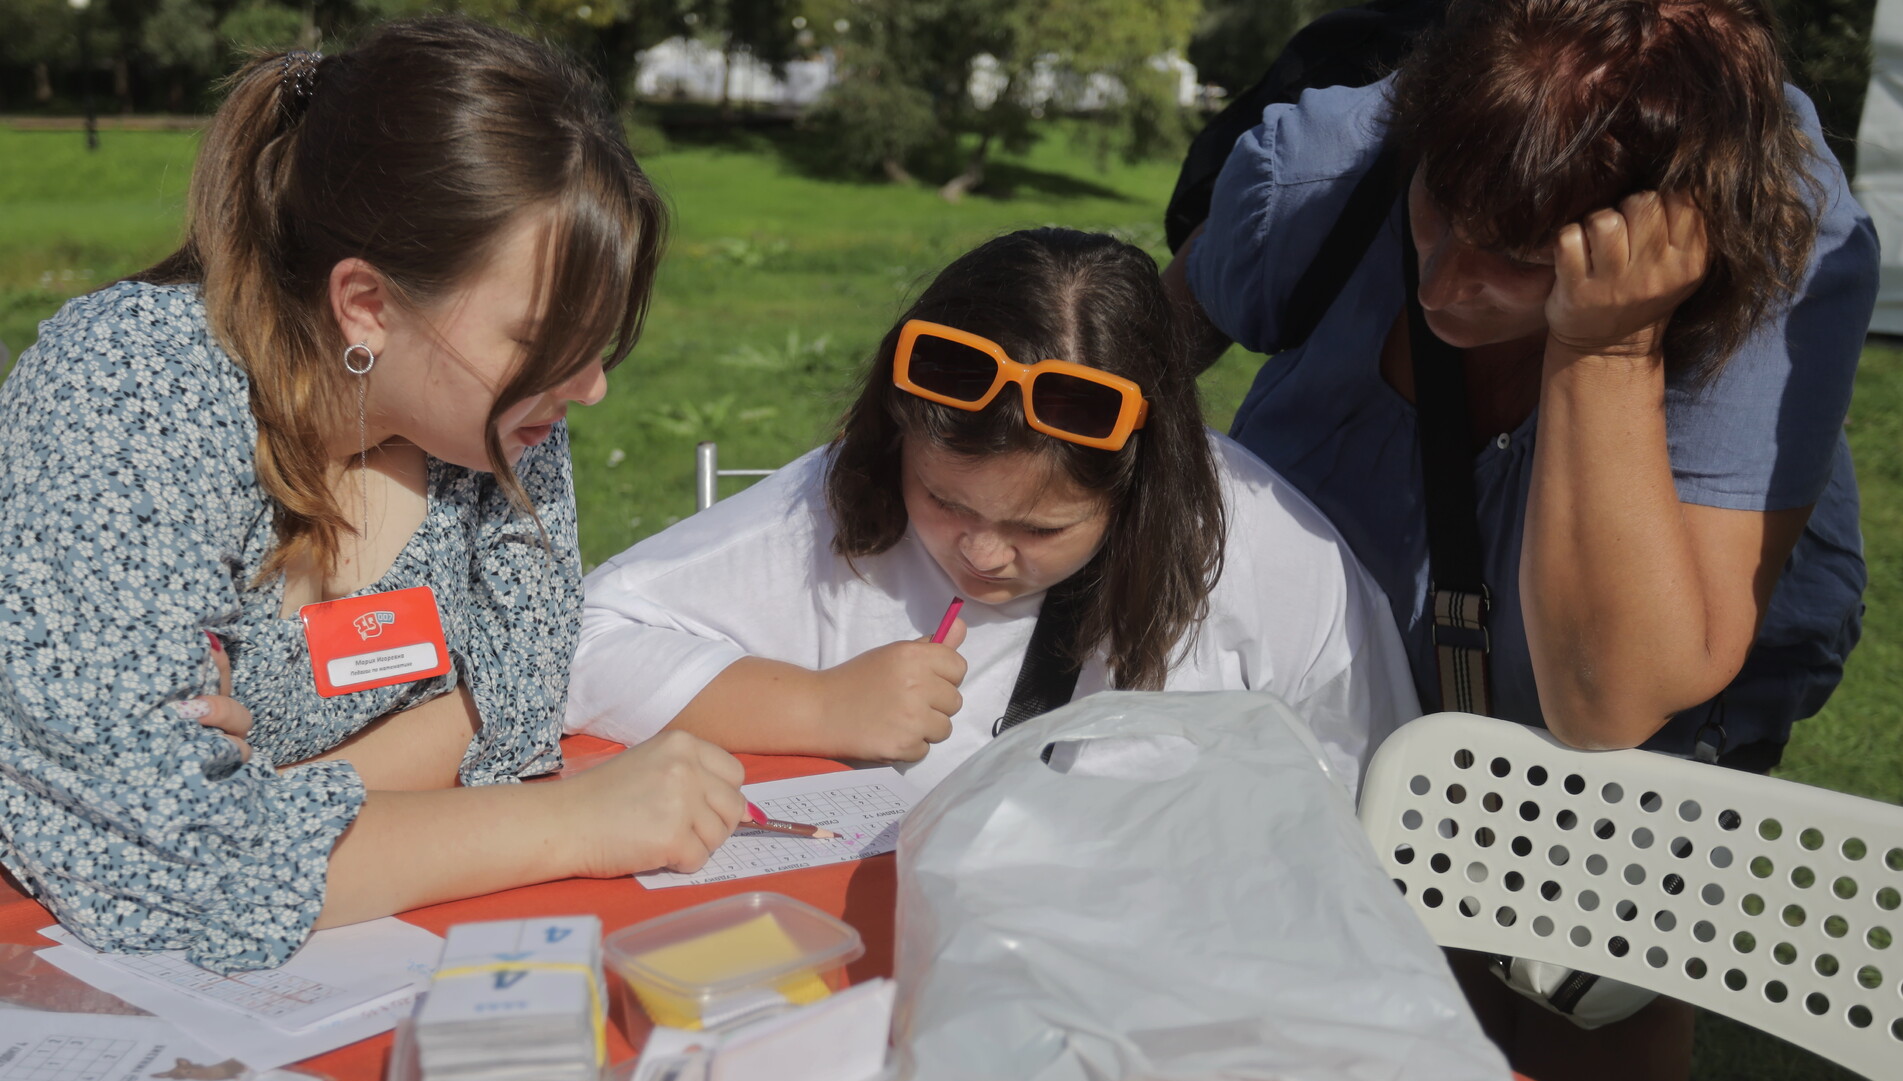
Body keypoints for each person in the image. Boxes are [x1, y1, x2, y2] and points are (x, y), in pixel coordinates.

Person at [1164, 0, 1878, 1081]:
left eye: (1518, 258)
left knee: (1565, 1023)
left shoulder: (1781, 240)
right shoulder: (1334, 162)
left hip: (1597, 717)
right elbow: (1142, 356)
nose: (1446, 284)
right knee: (1329, 1008)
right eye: (1438, 212)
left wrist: (1609, 345)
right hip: (1326, 668)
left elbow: (1611, 698)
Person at [0, 18, 746, 975]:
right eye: (544, 338)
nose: (590, 384)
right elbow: (170, 853)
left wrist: (269, 798)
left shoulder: (503, 424)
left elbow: (514, 701)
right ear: (367, 306)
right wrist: (571, 823)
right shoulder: (129, 391)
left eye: (596, 339)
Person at [566, 228, 1419, 798]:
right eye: (941, 498)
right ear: (896, 435)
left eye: (1041, 529)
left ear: (1143, 495)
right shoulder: (830, 512)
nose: (980, 551)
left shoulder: (1266, 551)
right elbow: (577, 647)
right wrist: (818, 707)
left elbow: (1377, 781)